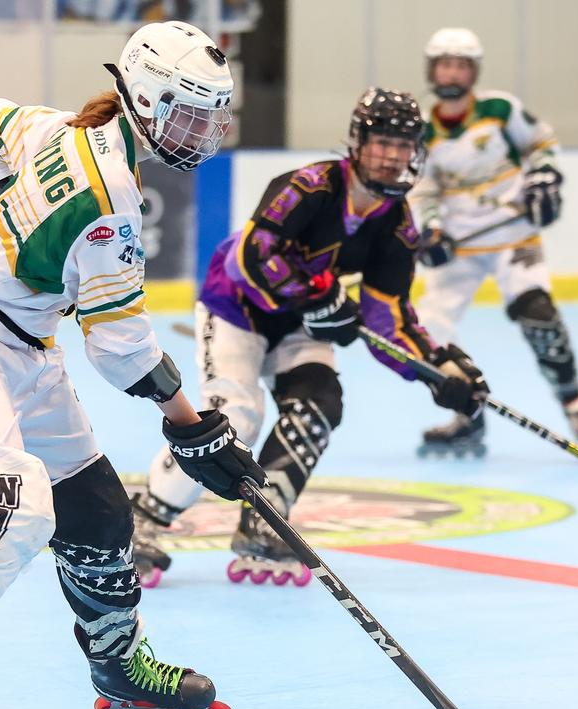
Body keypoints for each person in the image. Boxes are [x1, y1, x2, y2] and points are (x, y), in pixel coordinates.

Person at [0, 21, 259, 709]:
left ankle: (119, 672)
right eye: (192, 114)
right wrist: (195, 432)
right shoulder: (111, 200)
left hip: (27, 344)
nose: (205, 132)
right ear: (144, 99)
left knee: (98, 510)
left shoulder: (66, 130)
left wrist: (27, 198)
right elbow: (121, 346)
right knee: (15, 498)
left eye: (212, 116)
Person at [128, 87, 490, 588]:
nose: (392, 156)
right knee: (233, 421)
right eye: (382, 141)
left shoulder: (396, 223)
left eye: (404, 145)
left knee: (319, 402)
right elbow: (250, 258)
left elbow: (389, 316)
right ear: (358, 143)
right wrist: (316, 299)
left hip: (299, 322)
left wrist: (436, 367)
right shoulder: (309, 186)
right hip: (236, 308)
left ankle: (266, 517)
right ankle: (145, 516)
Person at [408, 27, 578, 458]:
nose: (452, 73)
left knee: (538, 315)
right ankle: (466, 417)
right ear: (432, 69)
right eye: (445, 64)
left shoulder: (501, 109)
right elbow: (423, 190)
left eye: (461, 65)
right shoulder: (422, 130)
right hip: (461, 247)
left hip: (516, 239)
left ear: (473, 71)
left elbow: (542, 143)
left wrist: (544, 178)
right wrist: (432, 229)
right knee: (428, 334)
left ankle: (576, 408)